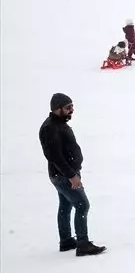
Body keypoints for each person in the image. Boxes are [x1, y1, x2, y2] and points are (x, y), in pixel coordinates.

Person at [39, 93, 106, 256]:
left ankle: (66, 240)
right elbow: (54, 156)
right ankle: (82, 243)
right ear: (57, 109)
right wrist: (71, 175)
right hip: (64, 175)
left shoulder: (59, 124)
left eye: (72, 106)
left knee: (66, 205)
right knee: (82, 205)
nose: (72, 110)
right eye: (68, 107)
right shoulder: (50, 128)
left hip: (64, 174)